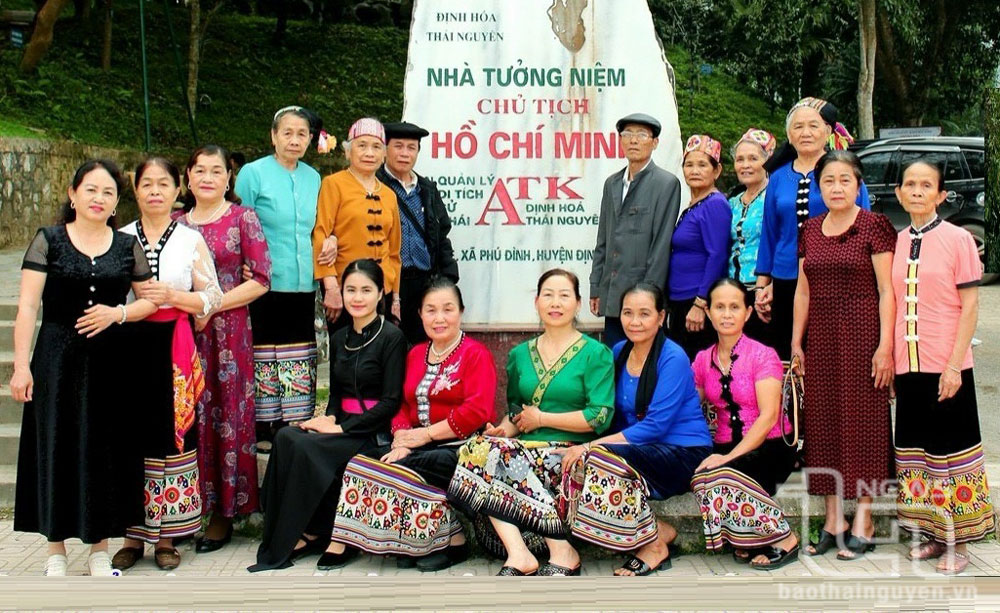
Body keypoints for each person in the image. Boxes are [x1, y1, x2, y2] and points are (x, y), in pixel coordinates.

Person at [11, 159, 157, 576]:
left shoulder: (125, 245)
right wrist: (22, 366)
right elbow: (26, 306)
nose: (99, 198)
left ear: (115, 205)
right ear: (73, 195)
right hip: (57, 360)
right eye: (90, 189)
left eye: (108, 192)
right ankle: (55, 548)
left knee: (105, 448)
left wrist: (119, 314)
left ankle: (99, 546)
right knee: (55, 444)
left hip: (111, 363)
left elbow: (149, 299)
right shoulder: (49, 240)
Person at [448, 269, 615, 576]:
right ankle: (519, 553)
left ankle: (562, 551)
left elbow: (599, 417)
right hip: (524, 450)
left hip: (570, 452)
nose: (555, 302)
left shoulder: (596, 354)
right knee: (480, 447)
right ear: (537, 302)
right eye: (548, 295)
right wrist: (502, 431)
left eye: (564, 295)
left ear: (578, 304)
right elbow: (516, 414)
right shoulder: (519, 355)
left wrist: (542, 418)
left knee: (504, 457)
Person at [250, 259, 406, 572]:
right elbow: (335, 396)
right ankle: (302, 531)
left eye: (366, 290)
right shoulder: (339, 338)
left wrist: (343, 428)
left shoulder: (392, 338)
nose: (357, 297)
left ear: (380, 295)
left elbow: (390, 403)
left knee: (308, 448)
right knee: (286, 437)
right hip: (344, 428)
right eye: (351, 290)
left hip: (371, 432)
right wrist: (328, 420)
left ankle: (335, 534)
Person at [329, 277, 495, 571]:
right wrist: (401, 437)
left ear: (461, 312)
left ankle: (453, 540)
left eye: (448, 309)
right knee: (362, 463)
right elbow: (400, 404)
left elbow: (477, 411)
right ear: (420, 314)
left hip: (463, 448)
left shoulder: (475, 354)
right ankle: (408, 542)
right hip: (416, 444)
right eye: (430, 310)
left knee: (415, 464)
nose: (439, 318)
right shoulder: (416, 353)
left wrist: (424, 436)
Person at [112, 158, 224, 572]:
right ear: (135, 189)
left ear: (178, 189)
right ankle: (130, 535)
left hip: (174, 346)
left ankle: (167, 536)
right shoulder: (118, 237)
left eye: (164, 183)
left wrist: (174, 297)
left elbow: (212, 296)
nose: (155, 191)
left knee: (173, 438)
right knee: (131, 437)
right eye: (147, 184)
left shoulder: (189, 240)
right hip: (127, 346)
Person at [559, 282, 712, 576]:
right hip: (640, 450)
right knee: (574, 459)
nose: (635, 321)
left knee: (599, 459)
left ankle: (653, 546)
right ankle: (658, 531)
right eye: (628, 313)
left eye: (644, 313)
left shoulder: (673, 357)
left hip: (683, 453)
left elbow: (655, 426)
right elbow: (606, 411)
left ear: (661, 317)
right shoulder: (618, 352)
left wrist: (593, 446)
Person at [891, 160, 995, 574]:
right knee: (918, 454)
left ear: (940, 195)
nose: (916, 191)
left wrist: (954, 365)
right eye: (909, 184)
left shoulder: (959, 240)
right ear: (898, 193)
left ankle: (960, 543)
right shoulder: (895, 242)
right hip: (907, 365)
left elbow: (970, 305)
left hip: (947, 365)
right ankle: (934, 536)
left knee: (953, 455)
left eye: (925, 185)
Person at [793, 150, 896, 561]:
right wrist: (796, 343)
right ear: (819, 188)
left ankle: (864, 521)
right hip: (819, 335)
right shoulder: (811, 229)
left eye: (844, 180)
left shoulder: (875, 226)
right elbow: (803, 290)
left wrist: (885, 346)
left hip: (863, 334)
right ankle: (833, 520)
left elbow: (887, 290)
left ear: (858, 185)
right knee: (823, 425)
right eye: (828, 181)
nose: (836, 188)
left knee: (865, 425)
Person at [175, 145, 272, 554]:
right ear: (189, 176)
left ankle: (223, 514)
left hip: (228, 333)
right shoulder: (175, 224)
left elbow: (262, 279)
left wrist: (212, 304)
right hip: (182, 332)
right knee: (186, 416)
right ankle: (183, 508)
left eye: (217, 171)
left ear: (229, 178)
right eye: (201, 170)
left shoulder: (242, 218)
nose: (208, 177)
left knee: (227, 416)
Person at [690, 278, 799, 570]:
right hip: (725, 445)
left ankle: (784, 539)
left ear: (748, 313)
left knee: (723, 476)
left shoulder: (764, 355)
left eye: (735, 307)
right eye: (720, 307)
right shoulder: (702, 360)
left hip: (771, 447)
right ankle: (745, 537)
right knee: (702, 476)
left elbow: (768, 417)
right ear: (709, 312)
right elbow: (687, 405)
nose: (727, 314)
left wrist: (727, 458)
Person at [235, 106, 323, 450]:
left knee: (299, 351)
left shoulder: (313, 178)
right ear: (273, 136)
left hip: (303, 280)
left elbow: (318, 226)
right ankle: (264, 425)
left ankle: (296, 421)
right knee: (265, 351)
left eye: (302, 134)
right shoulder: (253, 173)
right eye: (287, 133)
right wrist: (244, 264)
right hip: (263, 279)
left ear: (310, 139)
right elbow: (239, 220)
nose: (294, 140)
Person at [754, 97, 869, 360]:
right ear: (789, 135)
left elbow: (864, 226)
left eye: (814, 126)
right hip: (785, 278)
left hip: (834, 276)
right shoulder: (778, 176)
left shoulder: (842, 171)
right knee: (787, 352)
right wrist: (763, 285)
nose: (806, 132)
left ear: (828, 131)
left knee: (828, 353)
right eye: (798, 127)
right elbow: (769, 233)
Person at [590, 113, 682, 348]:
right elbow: (604, 239)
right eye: (627, 134)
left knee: (644, 365)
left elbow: (662, 245)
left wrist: (651, 297)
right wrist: (596, 287)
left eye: (641, 135)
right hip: (613, 295)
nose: (633, 140)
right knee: (615, 361)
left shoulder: (666, 183)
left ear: (654, 142)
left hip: (643, 300)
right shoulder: (612, 183)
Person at [314, 117, 402, 330]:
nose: (369, 153)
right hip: (346, 292)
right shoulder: (333, 184)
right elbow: (320, 235)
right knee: (347, 355)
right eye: (361, 146)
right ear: (348, 152)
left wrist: (396, 298)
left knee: (380, 357)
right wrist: (332, 287)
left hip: (381, 292)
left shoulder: (389, 195)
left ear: (384, 155)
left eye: (376, 147)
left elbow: (394, 251)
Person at [376, 121, 460, 344]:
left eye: (411, 148)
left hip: (425, 281)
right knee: (390, 347)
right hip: (390, 283)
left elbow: (442, 234)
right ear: (385, 149)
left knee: (426, 346)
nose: (404, 153)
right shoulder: (375, 185)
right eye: (398, 146)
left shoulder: (427, 189)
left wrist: (448, 277)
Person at [667, 135, 732, 361]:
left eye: (702, 165)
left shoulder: (714, 204)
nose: (695, 170)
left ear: (717, 170)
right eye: (689, 164)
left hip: (695, 301)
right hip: (679, 299)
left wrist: (700, 302)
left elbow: (717, 255)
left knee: (697, 367)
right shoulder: (694, 204)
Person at [727, 129, 776, 342]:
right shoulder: (732, 203)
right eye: (740, 159)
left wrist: (769, 286)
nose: (745, 165)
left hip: (764, 292)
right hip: (733, 291)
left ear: (767, 161)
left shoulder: (775, 197)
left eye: (753, 158)